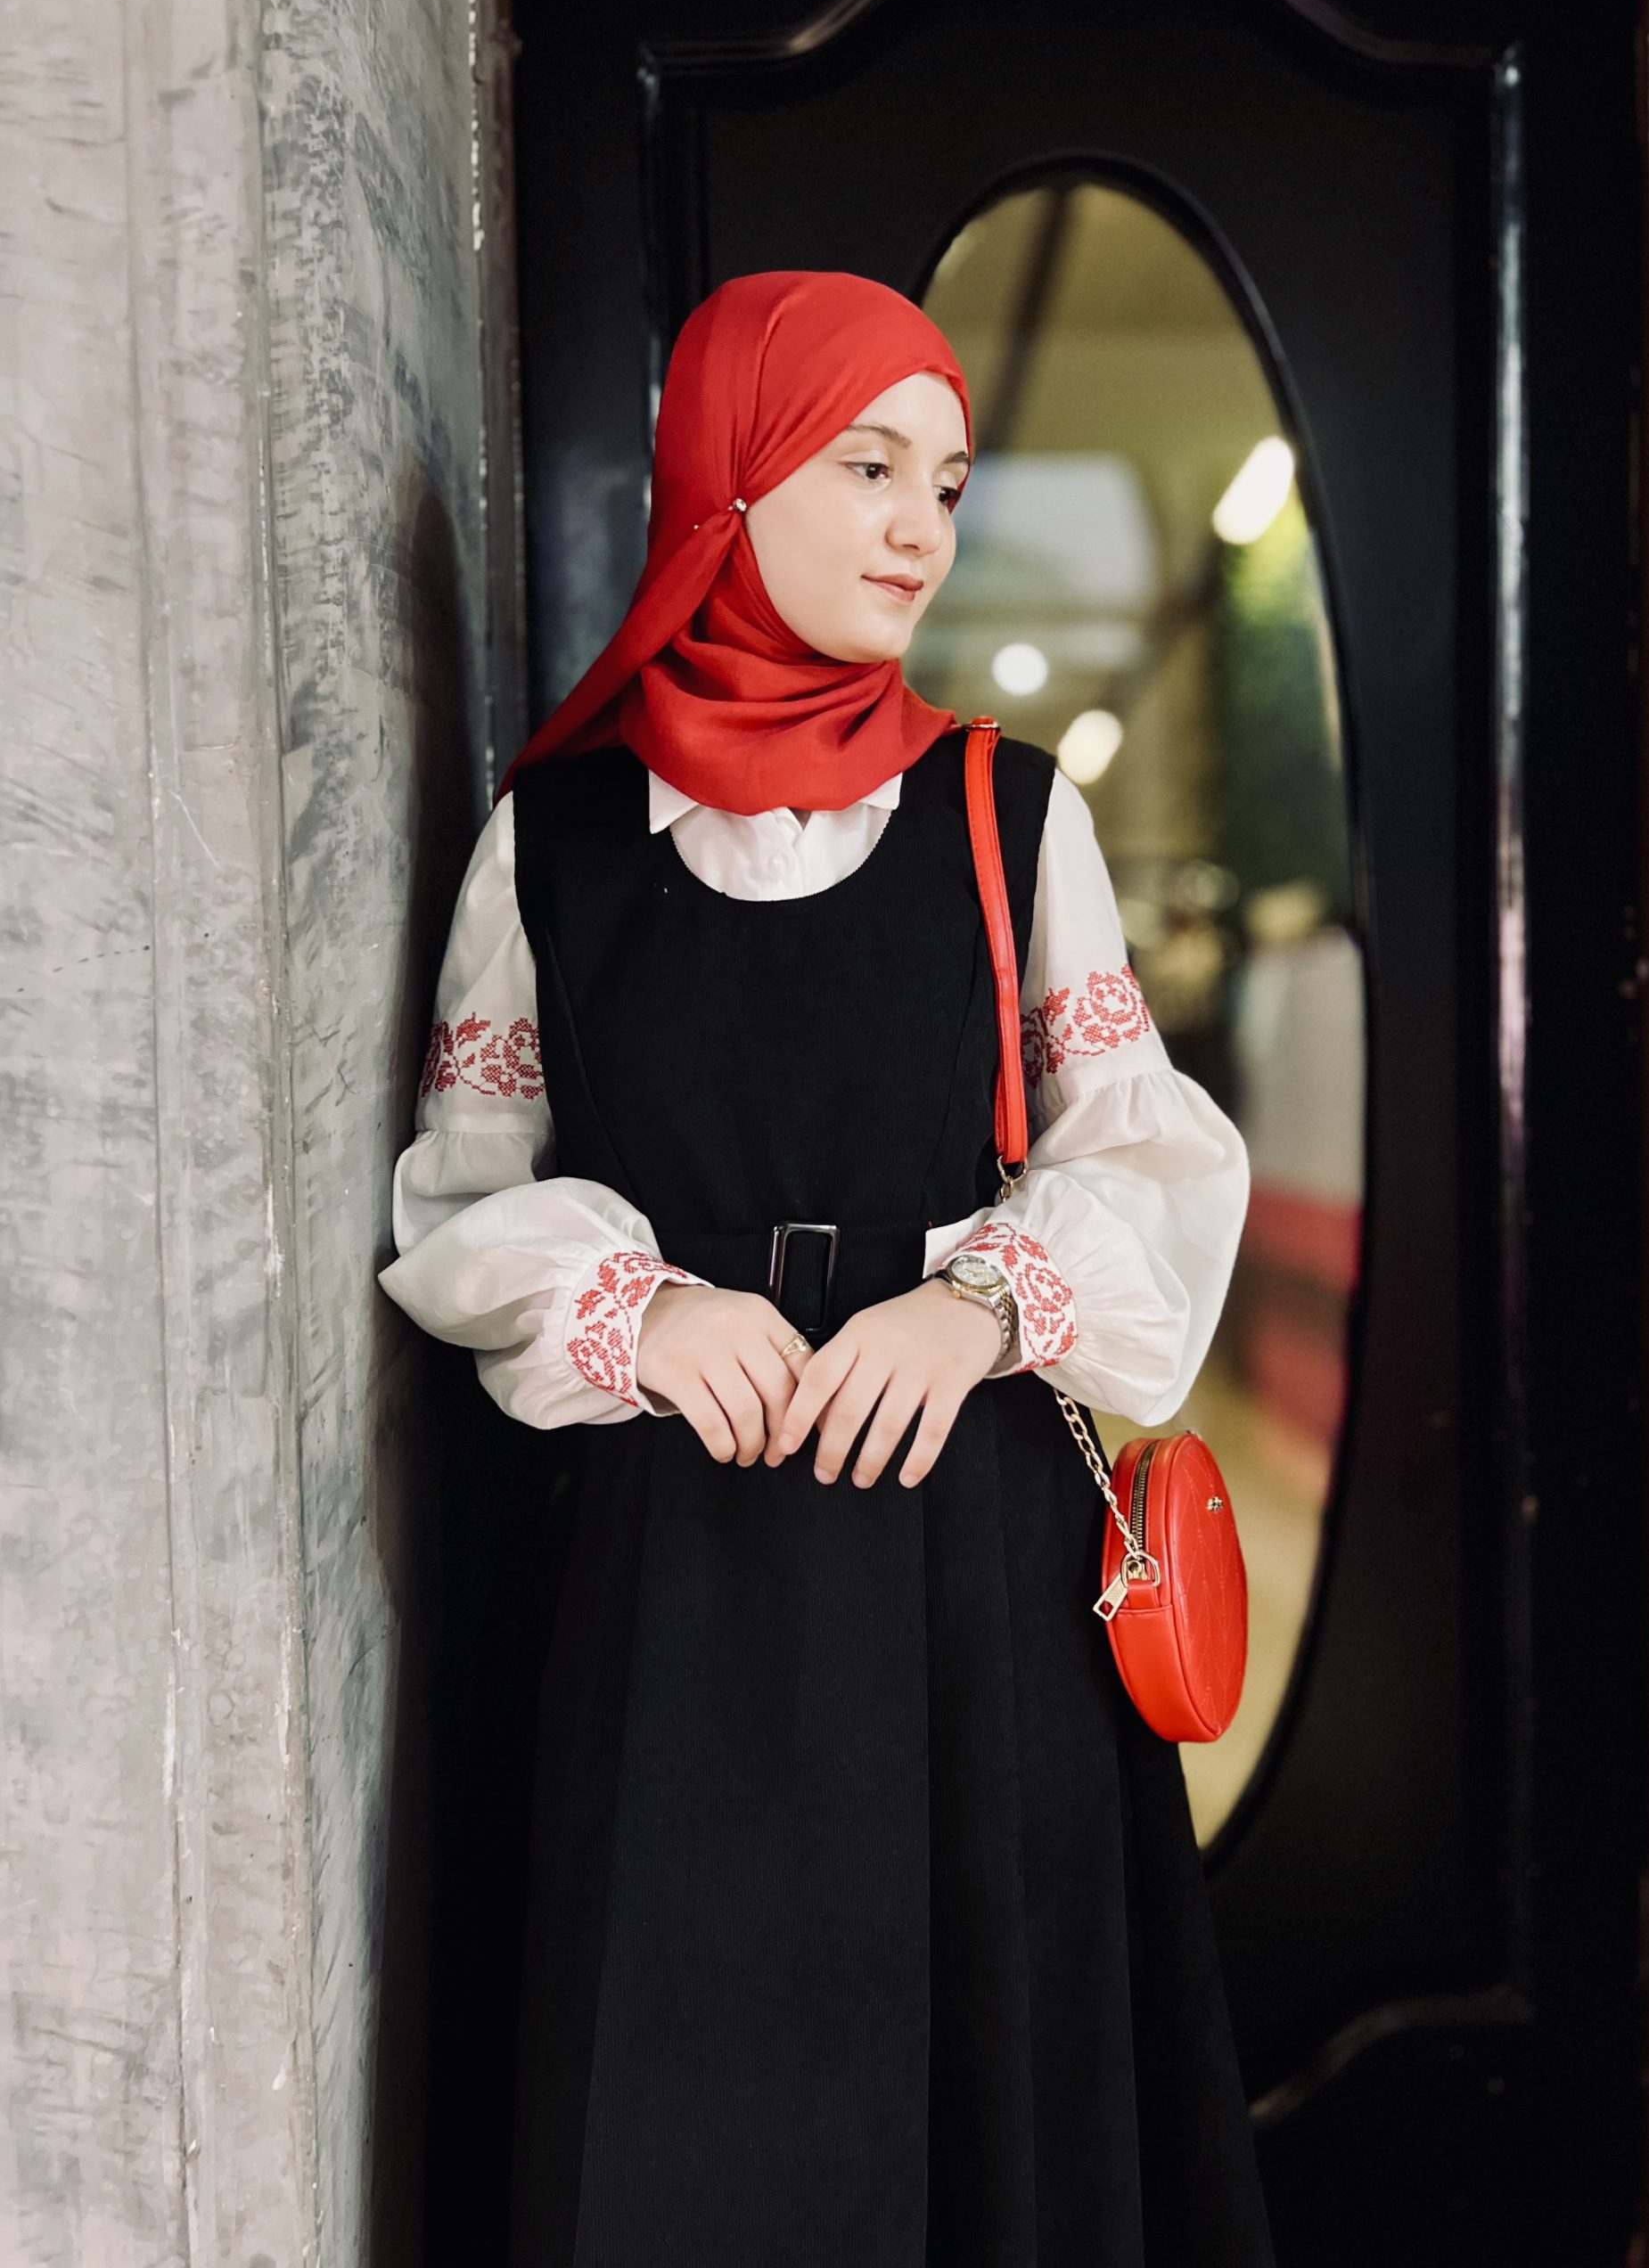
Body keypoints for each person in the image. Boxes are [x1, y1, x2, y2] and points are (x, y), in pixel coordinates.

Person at [379, 268, 1274, 2267]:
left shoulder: (1008, 807)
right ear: (729, 472)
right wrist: (638, 1308)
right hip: (676, 1571)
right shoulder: (555, 837)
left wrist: (979, 1306)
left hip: (971, 1560)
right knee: (684, 2087)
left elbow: (1141, 1155)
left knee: (990, 2095)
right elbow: (461, 1187)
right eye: (865, 465)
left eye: (944, 483)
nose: (915, 529)